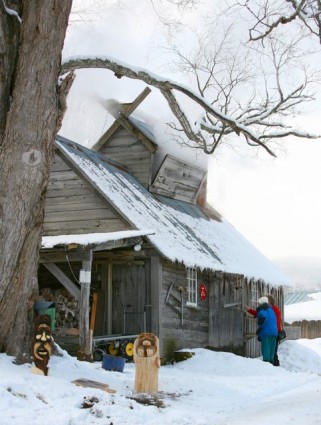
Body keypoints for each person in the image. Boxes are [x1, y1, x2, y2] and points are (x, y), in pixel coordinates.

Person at [245, 294, 283, 366]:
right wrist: (250, 310)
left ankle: (268, 366)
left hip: (268, 332)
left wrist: (260, 327)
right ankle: (273, 366)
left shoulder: (268, 309)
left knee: (267, 350)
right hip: (275, 332)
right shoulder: (273, 310)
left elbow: (262, 315)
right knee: (272, 351)